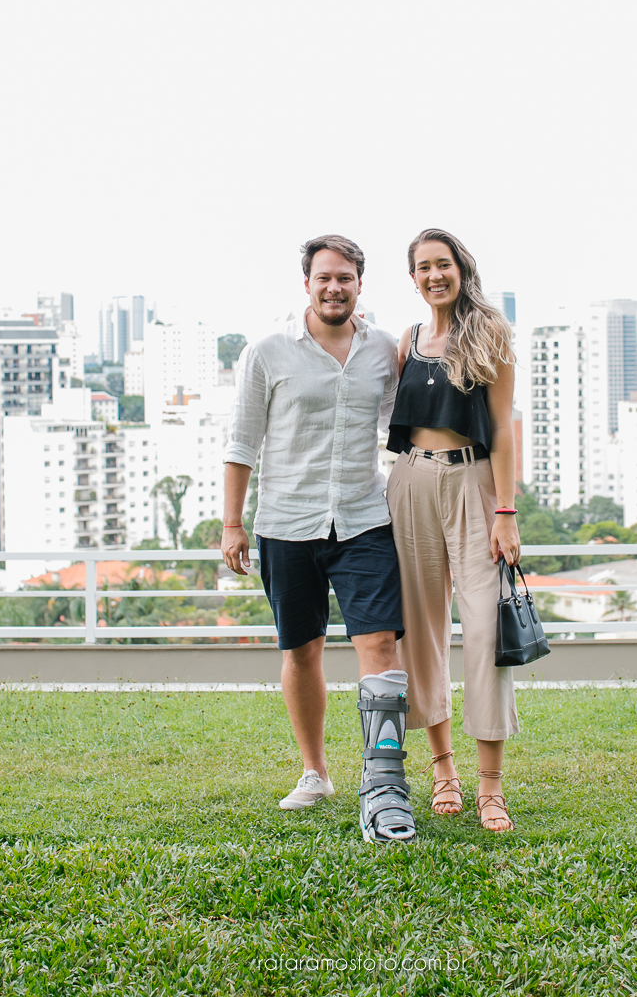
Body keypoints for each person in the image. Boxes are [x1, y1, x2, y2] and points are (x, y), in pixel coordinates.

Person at [221, 234, 416, 843]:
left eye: (345, 278)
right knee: (301, 650)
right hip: (286, 522)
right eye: (324, 278)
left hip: (365, 519)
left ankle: (384, 780)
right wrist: (231, 524)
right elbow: (242, 441)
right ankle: (315, 772)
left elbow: (402, 429)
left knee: (379, 643)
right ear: (306, 283)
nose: (335, 288)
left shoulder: (383, 349)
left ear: (360, 284)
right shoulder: (267, 352)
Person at [385, 228, 520, 833]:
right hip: (411, 481)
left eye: (443, 264)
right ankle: (443, 769)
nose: (434, 275)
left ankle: (491, 784)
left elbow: (503, 427)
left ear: (460, 269)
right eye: (423, 267)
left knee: (486, 630)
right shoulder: (408, 341)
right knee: (420, 633)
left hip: (474, 484)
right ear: (413, 277)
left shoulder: (491, 334)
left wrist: (506, 512)